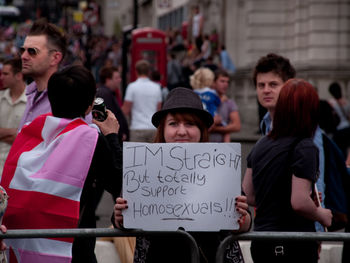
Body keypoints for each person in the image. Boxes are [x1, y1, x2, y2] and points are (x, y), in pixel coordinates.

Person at [114, 87, 251, 263]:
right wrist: (119, 217)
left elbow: (245, 223)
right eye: (173, 124)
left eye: (190, 124)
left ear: (201, 130)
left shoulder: (221, 165)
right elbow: (123, 221)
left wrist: (242, 217)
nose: (181, 131)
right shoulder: (142, 166)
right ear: (162, 130)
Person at [1, 65, 123, 262]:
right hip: (73, 251)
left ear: (51, 98)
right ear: (90, 106)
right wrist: (111, 136)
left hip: (23, 247)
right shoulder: (89, 139)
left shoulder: (30, 130)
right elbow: (121, 183)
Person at [243, 78, 333, 263]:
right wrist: (321, 214)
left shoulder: (261, 144)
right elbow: (298, 201)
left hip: (261, 242)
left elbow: (249, 194)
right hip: (293, 243)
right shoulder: (305, 146)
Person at [18, 18, 72, 130]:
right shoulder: (29, 95)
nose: (23, 56)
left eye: (32, 51)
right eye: (22, 50)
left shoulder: (70, 99)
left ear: (55, 58)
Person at [122, 60, 162, 142]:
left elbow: (126, 110)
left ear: (136, 71)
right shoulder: (156, 87)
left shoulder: (132, 87)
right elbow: (159, 109)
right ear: (149, 72)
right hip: (153, 128)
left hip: (137, 128)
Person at [0, 58, 26, 176]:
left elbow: (27, 139)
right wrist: (14, 132)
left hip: (16, 169)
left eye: (6, 74)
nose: (1, 77)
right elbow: (22, 135)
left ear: (19, 75)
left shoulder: (31, 102)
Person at [97, 65, 129, 142]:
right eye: (117, 78)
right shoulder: (105, 94)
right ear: (108, 80)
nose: (120, 80)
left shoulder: (108, 93)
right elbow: (110, 115)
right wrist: (120, 133)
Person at [209, 69, 241, 142]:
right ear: (213, 83)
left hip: (222, 148)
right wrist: (226, 128)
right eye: (222, 81)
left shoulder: (229, 102)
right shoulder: (204, 100)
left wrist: (215, 129)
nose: (226, 84)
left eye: (227, 82)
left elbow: (237, 126)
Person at [328, 82, 350, 157]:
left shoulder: (331, 103)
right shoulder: (346, 102)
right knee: (345, 149)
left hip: (338, 129)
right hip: (347, 127)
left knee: (338, 150)